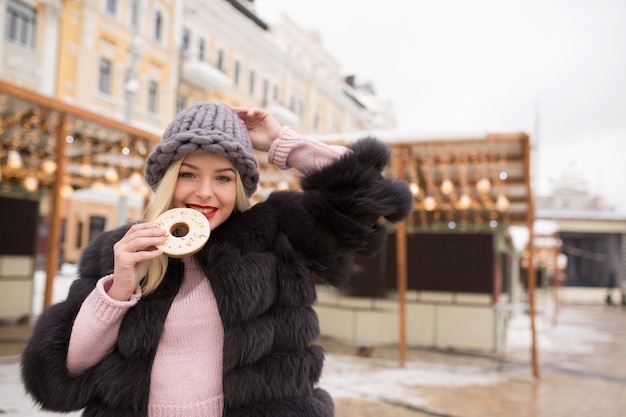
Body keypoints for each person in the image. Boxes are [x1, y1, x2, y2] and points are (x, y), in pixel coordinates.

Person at [21, 102, 413, 417]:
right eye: (189, 174)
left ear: (239, 185)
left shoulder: (275, 235)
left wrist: (282, 142)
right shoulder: (121, 249)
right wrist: (118, 289)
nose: (205, 192)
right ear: (167, 180)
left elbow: (365, 199)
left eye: (223, 178)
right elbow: (64, 375)